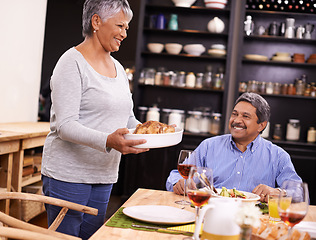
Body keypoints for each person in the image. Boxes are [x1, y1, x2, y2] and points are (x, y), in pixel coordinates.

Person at [41, 0, 148, 239]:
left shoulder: (119, 69)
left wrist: (147, 131)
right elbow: (65, 126)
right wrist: (109, 140)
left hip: (103, 175)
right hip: (68, 176)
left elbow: (126, 116)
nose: (124, 33)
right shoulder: (71, 63)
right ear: (96, 21)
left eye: (127, 27)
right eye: (120, 25)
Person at [166, 92, 302, 203]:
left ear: (261, 125)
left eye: (245, 116)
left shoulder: (278, 156)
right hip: (210, 212)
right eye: (234, 114)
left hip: (254, 220)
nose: (237, 120)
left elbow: (299, 192)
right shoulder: (209, 146)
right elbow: (176, 176)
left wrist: (278, 192)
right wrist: (179, 183)